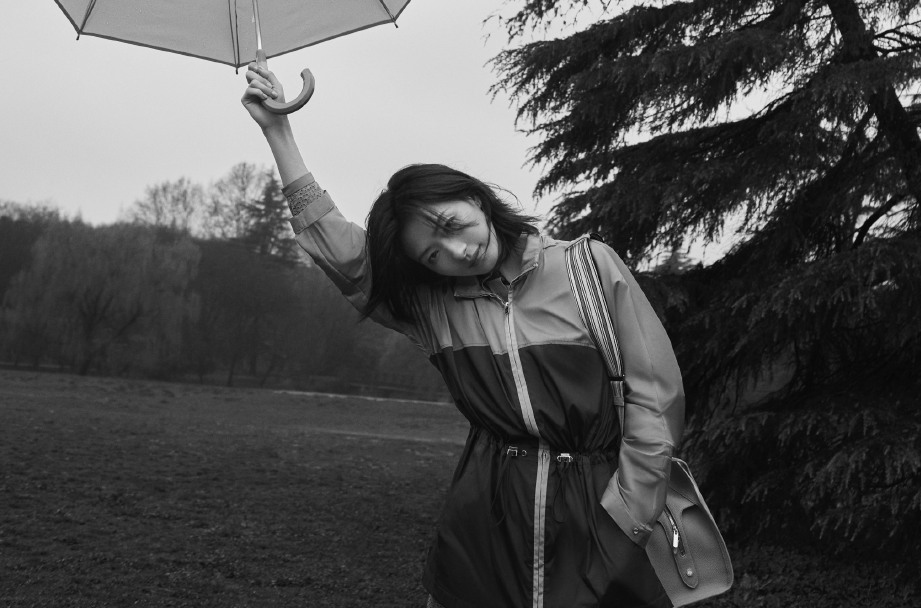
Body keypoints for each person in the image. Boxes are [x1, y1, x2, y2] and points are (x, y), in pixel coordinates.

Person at [243, 60, 686, 608]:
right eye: (433, 254)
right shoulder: (434, 307)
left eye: (451, 225)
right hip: (484, 521)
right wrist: (278, 132)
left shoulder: (588, 267)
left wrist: (629, 518)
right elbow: (344, 255)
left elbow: (656, 399)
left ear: (475, 198)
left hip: (603, 513)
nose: (457, 252)